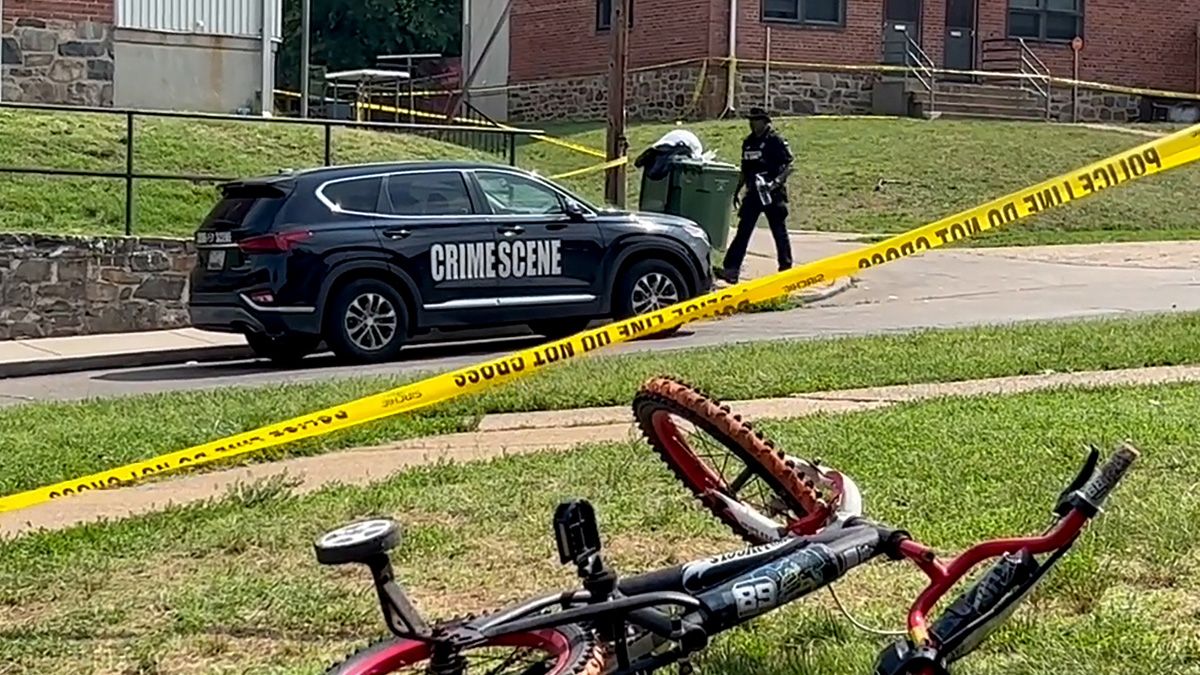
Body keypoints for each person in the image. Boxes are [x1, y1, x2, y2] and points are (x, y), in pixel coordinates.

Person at [717, 107, 794, 284]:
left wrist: (775, 183)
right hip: (753, 193)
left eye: (755, 120)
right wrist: (737, 190)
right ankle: (731, 269)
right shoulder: (748, 142)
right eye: (750, 120)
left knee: (779, 231)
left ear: (765, 121)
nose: (752, 123)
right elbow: (745, 169)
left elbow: (789, 165)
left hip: (772, 194)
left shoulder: (775, 141)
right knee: (743, 231)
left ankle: (786, 270)